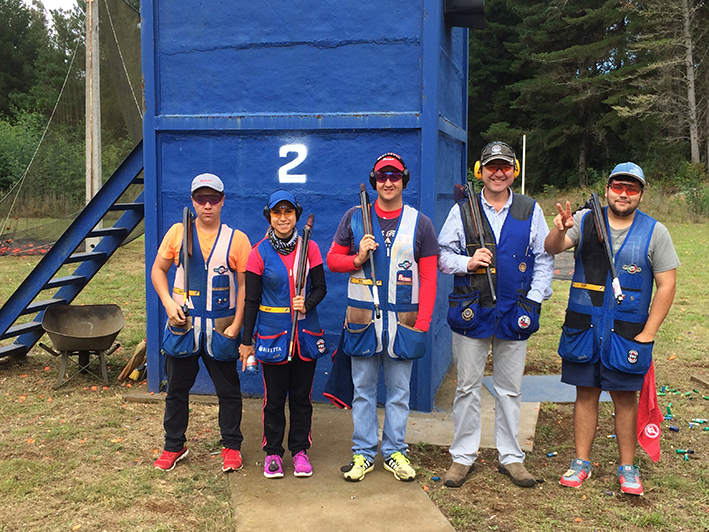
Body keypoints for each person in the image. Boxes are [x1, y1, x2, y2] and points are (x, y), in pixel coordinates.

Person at [545, 162, 679, 496]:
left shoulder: (656, 232)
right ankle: (581, 462)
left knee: (625, 398)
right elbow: (552, 247)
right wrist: (559, 230)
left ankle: (627, 467)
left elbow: (667, 285)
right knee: (585, 394)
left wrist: (648, 333)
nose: (623, 194)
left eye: (631, 188)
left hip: (627, 334)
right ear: (607, 189)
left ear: (641, 194)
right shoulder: (584, 220)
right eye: (618, 186)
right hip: (584, 330)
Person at [437, 141, 554, 488]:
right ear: (481, 171)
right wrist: (468, 262)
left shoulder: (530, 209)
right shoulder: (464, 209)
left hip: (514, 310)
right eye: (491, 166)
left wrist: (534, 299)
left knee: (509, 390)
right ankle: (462, 457)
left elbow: (544, 258)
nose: (498, 173)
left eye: (504, 166)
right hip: (472, 311)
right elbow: (443, 255)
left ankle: (511, 457)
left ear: (514, 171)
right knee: (467, 388)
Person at [327, 152, 439, 482]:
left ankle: (394, 452)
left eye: (394, 176)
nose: (388, 182)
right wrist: (356, 258)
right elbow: (333, 260)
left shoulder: (420, 223)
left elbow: (429, 278)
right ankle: (363, 454)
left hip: (403, 324)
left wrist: (422, 324)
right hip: (362, 321)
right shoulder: (354, 218)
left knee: (399, 392)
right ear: (374, 181)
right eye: (381, 176)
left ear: (404, 179)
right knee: (362, 390)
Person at [151, 173, 250, 472]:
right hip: (183, 328)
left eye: (213, 199)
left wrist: (236, 326)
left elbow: (244, 287)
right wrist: (168, 303)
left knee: (228, 391)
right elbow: (158, 271)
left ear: (222, 201)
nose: (207, 205)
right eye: (201, 199)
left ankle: (231, 446)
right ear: (193, 201)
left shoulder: (237, 239)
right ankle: (174, 446)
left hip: (221, 330)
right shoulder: (178, 233)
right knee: (176, 391)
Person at [239, 190, 328, 478]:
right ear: (269, 217)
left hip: (305, 337)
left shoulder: (310, 248)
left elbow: (321, 288)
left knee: (302, 398)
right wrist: (246, 341)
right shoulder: (258, 253)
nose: (283, 218)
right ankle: (273, 453)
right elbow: (251, 300)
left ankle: (300, 451)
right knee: (274, 400)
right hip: (272, 338)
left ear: (296, 215)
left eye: (288, 211)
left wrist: (307, 303)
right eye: (277, 212)